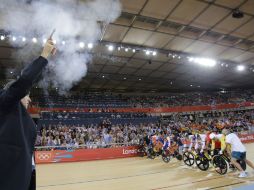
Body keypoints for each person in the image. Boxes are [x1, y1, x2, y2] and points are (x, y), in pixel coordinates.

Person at [0, 36, 56, 190]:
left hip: (26, 175)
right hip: (9, 178)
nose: (29, 98)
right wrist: (44, 55)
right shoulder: (5, 102)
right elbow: (24, 81)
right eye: (26, 95)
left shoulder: (22, 116)